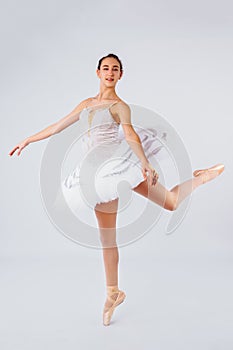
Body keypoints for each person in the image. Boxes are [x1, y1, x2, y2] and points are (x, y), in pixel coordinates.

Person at [9, 53, 225, 326]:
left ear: (121, 75)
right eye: (106, 68)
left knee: (170, 203)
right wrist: (29, 139)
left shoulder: (120, 106)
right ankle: (113, 293)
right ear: (97, 72)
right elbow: (58, 125)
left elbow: (131, 136)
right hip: (93, 175)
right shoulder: (87, 104)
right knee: (108, 240)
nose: (110, 73)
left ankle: (202, 178)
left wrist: (145, 164)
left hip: (117, 169)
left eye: (116, 69)